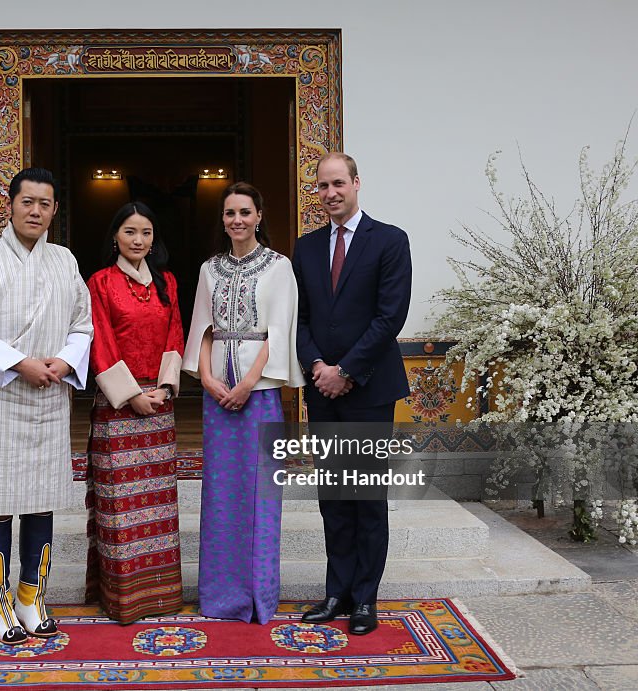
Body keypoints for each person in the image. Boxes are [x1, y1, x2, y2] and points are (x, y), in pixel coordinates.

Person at [0, 167, 93, 644]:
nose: (36, 211)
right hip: (1, 393)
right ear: (9, 205)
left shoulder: (65, 260)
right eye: (27, 201)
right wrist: (20, 364)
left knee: (39, 500)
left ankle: (33, 596)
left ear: (55, 209)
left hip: (50, 394)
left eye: (45, 204)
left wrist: (62, 362)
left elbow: (83, 325)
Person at [292, 152, 412, 636]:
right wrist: (318, 366)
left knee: (365, 496)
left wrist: (347, 370)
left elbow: (390, 317)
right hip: (323, 390)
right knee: (333, 498)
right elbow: (297, 318)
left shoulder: (389, 241)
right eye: (322, 187)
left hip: (368, 388)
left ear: (357, 183)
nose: (331, 193)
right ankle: (336, 592)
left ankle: (365, 598)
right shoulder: (305, 248)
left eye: (338, 183)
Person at [183, 182, 304, 624]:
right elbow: (202, 330)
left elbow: (281, 333)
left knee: (261, 495)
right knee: (220, 495)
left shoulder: (279, 267)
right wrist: (210, 381)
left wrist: (247, 383)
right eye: (230, 213)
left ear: (259, 216)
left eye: (245, 212)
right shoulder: (209, 269)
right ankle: (220, 598)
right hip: (218, 398)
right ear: (224, 219)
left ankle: (258, 597)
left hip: (261, 395)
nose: (237, 220)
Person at [84, 201, 186, 624]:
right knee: (120, 506)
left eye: (146, 232)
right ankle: (124, 598)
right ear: (115, 237)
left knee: (158, 507)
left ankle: (162, 595)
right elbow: (99, 341)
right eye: (130, 232)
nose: (138, 240)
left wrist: (164, 387)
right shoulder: (101, 283)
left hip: (159, 406)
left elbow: (175, 332)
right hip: (117, 409)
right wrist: (129, 396)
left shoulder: (167, 282)